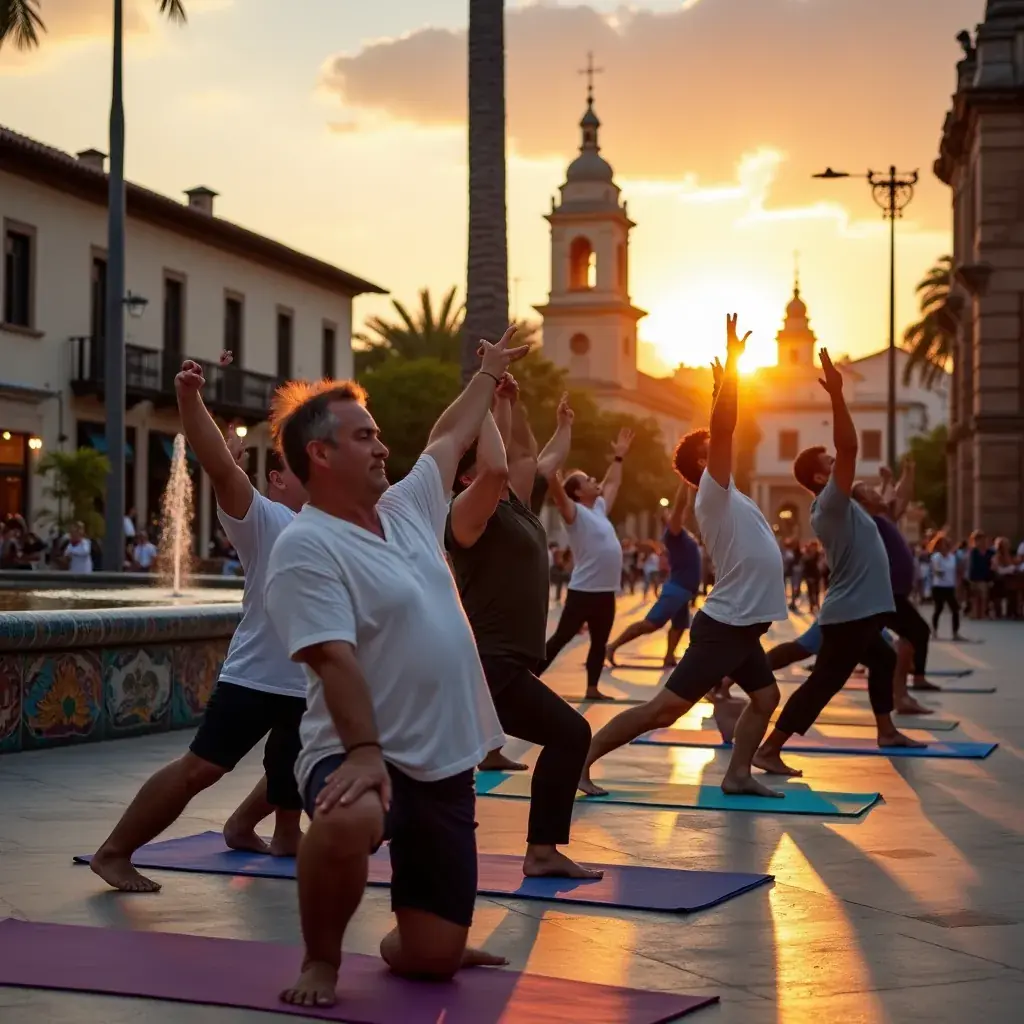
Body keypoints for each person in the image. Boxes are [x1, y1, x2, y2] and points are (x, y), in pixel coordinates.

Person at [264, 328, 525, 1009]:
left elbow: (447, 440)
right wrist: (364, 752)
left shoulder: (405, 508)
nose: (382, 446)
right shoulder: (306, 546)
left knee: (433, 963)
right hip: (357, 752)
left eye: (378, 434)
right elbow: (334, 657)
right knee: (346, 820)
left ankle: (415, 937)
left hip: (443, 764)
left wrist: (486, 376)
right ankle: (321, 959)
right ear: (319, 454)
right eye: (363, 437)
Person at [90, 357, 309, 893]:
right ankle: (114, 852)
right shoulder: (265, 520)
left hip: (309, 681)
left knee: (298, 759)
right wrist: (190, 399)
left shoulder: (342, 529)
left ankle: (272, 831)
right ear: (279, 481)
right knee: (202, 769)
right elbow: (219, 466)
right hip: (256, 678)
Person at [578, 315, 786, 799]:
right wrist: (733, 370)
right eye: (714, 446)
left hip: (744, 624)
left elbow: (724, 426)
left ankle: (737, 775)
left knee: (766, 697)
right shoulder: (711, 491)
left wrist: (721, 388)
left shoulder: (728, 491)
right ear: (700, 463)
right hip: (727, 625)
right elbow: (724, 426)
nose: (724, 448)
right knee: (662, 711)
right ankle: (582, 759)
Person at [446, 383, 598, 879]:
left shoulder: (517, 508)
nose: (510, 467)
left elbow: (533, 454)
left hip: (506, 664)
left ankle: (541, 850)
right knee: (570, 734)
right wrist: (487, 390)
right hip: (487, 662)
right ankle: (541, 851)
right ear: (469, 475)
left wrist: (513, 404)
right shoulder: (467, 514)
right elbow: (497, 464)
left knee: (566, 735)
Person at [755, 349, 923, 776]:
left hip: (859, 609)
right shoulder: (829, 503)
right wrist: (837, 395)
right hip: (850, 612)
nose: (839, 465)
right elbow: (849, 444)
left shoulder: (847, 507)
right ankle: (769, 748)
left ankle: (885, 730)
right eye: (829, 465)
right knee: (824, 681)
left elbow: (886, 499)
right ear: (817, 478)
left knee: (882, 662)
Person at [539, 428, 634, 701]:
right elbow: (558, 494)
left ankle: (592, 688)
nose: (596, 481)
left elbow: (613, 483)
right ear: (579, 492)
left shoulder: (599, 509)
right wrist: (555, 473)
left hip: (606, 591)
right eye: (589, 480)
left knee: (599, 642)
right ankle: (528, 680)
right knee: (560, 639)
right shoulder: (575, 512)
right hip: (584, 591)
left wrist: (618, 458)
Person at [852, 460, 937, 711]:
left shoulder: (883, 518)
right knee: (915, 633)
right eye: (868, 490)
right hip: (886, 595)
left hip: (894, 594)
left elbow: (900, 497)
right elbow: (892, 498)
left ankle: (900, 694)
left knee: (909, 637)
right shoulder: (868, 521)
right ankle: (900, 695)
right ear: (863, 504)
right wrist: (889, 483)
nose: (874, 491)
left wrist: (908, 473)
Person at [606, 480, 701, 669]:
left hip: (685, 590)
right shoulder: (673, 533)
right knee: (651, 624)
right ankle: (612, 646)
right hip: (677, 588)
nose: (674, 514)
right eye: (669, 513)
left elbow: (687, 508)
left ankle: (669, 657)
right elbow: (681, 504)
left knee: (680, 625)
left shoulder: (683, 533)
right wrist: (684, 480)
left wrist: (692, 485)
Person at [930, 533, 962, 640]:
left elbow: (956, 571)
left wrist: (957, 583)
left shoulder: (952, 558)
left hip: (949, 587)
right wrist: (938, 571)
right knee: (938, 609)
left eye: (947, 545)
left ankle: (955, 633)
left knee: (955, 609)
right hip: (939, 587)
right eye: (943, 545)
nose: (945, 547)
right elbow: (936, 571)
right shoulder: (936, 557)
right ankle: (934, 631)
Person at [968, 531, 993, 619]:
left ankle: (983, 614)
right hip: (975, 577)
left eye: (983, 540)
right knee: (975, 596)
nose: (981, 542)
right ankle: (975, 613)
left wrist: (990, 578)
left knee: (984, 597)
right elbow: (971, 566)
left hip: (985, 578)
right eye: (978, 540)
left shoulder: (990, 552)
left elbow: (992, 566)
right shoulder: (973, 552)